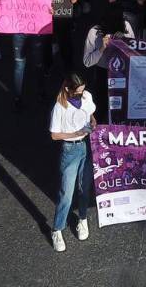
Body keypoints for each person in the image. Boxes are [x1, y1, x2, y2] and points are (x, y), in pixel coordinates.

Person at [49, 73, 95, 251]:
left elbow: (91, 113)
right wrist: (75, 134)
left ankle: (82, 219)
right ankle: (57, 229)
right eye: (78, 92)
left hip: (87, 145)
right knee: (66, 194)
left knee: (85, 187)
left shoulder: (86, 96)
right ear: (68, 89)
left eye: (83, 90)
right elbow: (54, 135)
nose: (81, 94)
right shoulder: (60, 106)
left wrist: (93, 121)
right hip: (70, 149)